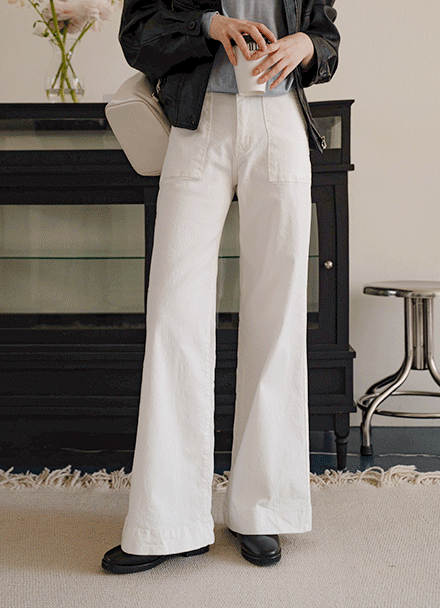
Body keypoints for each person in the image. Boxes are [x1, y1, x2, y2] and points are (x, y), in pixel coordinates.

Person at [102, 0, 340, 573]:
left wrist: (306, 46)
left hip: (280, 119)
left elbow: (326, 37)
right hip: (199, 119)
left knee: (278, 316)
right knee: (174, 314)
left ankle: (263, 509)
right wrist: (210, 25)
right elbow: (137, 35)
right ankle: (166, 522)